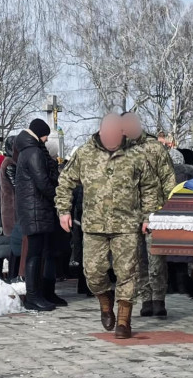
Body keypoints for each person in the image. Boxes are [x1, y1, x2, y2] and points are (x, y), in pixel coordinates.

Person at [56, 114, 159, 339]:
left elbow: (150, 187)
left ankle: (123, 320)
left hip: (126, 225)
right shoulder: (85, 153)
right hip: (94, 225)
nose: (111, 137)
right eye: (107, 133)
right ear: (101, 132)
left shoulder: (137, 155)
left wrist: (147, 217)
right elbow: (65, 182)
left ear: (122, 132)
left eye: (116, 133)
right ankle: (105, 300)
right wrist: (63, 210)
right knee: (92, 273)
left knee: (127, 273)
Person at [122, 112, 176, 319]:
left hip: (154, 211)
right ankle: (145, 298)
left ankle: (159, 298)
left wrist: (166, 209)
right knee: (137, 260)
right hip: (129, 213)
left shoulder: (154, 148)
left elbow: (168, 179)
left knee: (156, 258)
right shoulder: (120, 149)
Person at [14, 118, 62, 311]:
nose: (46, 139)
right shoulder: (33, 152)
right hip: (35, 209)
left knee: (39, 253)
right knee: (34, 254)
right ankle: (33, 296)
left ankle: (39, 294)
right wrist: (57, 197)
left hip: (34, 209)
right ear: (39, 134)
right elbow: (42, 181)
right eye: (45, 135)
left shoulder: (27, 150)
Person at [0, 134, 21, 281]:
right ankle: (13, 276)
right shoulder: (10, 164)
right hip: (13, 210)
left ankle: (14, 275)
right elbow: (17, 185)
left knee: (15, 246)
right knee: (15, 247)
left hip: (12, 209)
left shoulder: (10, 162)